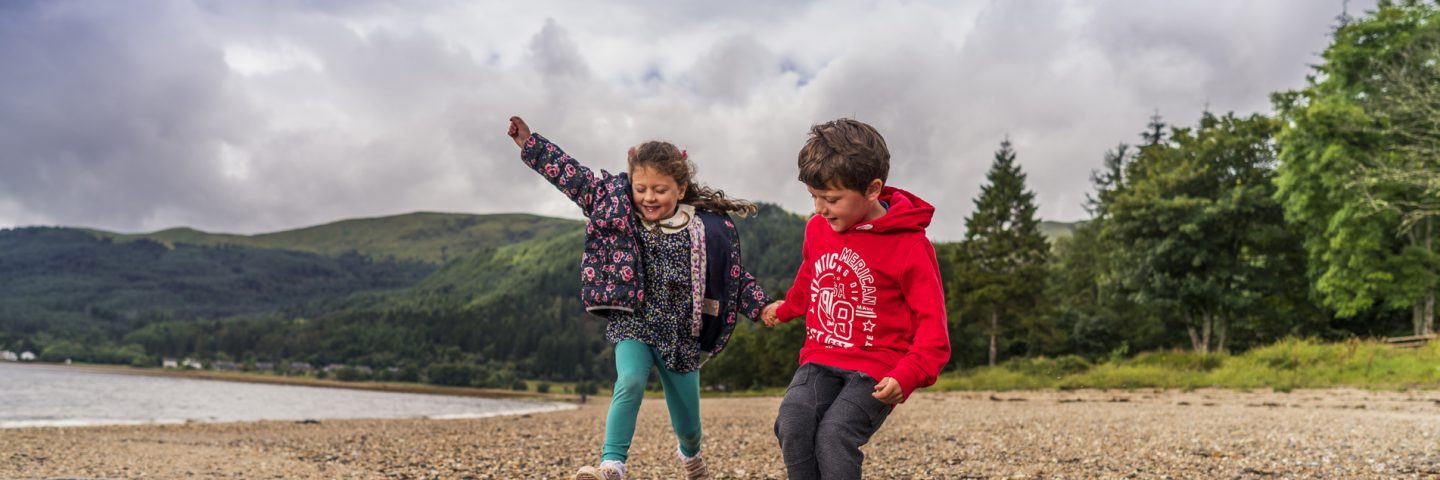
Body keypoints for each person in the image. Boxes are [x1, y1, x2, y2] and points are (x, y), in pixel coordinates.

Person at [505, 116, 778, 480]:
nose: (649, 197)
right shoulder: (616, 207)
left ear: (680, 188)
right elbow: (574, 178)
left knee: (689, 426)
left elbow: (732, 278)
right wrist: (530, 144)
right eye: (642, 187)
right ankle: (612, 465)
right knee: (629, 381)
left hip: (683, 335)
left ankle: (692, 458)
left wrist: (760, 306)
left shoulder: (704, 227)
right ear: (631, 183)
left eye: (660, 189)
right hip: (633, 322)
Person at [763, 118, 951, 479]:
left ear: (872, 189)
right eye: (814, 197)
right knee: (793, 421)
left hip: (877, 369)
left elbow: (933, 331)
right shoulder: (818, 228)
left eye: (831, 199)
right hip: (821, 357)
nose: (819, 208)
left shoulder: (910, 246)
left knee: (834, 436)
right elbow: (811, 276)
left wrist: (908, 375)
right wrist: (786, 309)